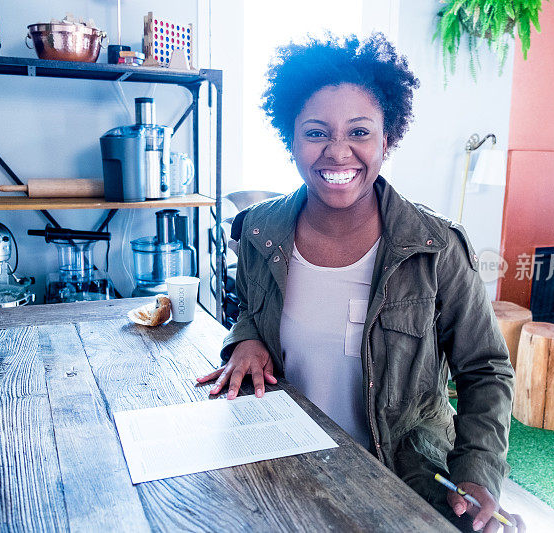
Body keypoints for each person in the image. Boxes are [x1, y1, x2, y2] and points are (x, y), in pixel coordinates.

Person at [197, 33, 521, 533]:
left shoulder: (437, 249)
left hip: (406, 475)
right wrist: (246, 338)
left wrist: (479, 472)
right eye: (315, 132)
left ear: (387, 141)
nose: (338, 152)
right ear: (291, 139)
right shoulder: (260, 232)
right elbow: (252, 308)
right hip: (287, 466)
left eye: (360, 132)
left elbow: (485, 370)